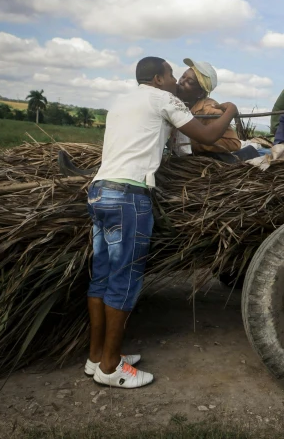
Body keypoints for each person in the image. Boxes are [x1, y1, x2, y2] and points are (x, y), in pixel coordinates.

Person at [85, 56, 237, 388]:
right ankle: (111, 368)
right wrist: (231, 111)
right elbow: (210, 136)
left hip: (99, 192)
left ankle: (96, 356)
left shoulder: (122, 102)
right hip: (128, 196)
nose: (174, 81)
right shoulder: (163, 99)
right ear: (157, 79)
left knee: (102, 276)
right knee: (124, 282)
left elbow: (179, 147)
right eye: (170, 75)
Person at [174, 58, 259, 162]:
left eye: (189, 81)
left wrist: (193, 144)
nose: (181, 82)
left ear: (200, 93)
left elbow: (234, 143)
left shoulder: (211, 111)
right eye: (183, 77)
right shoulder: (176, 103)